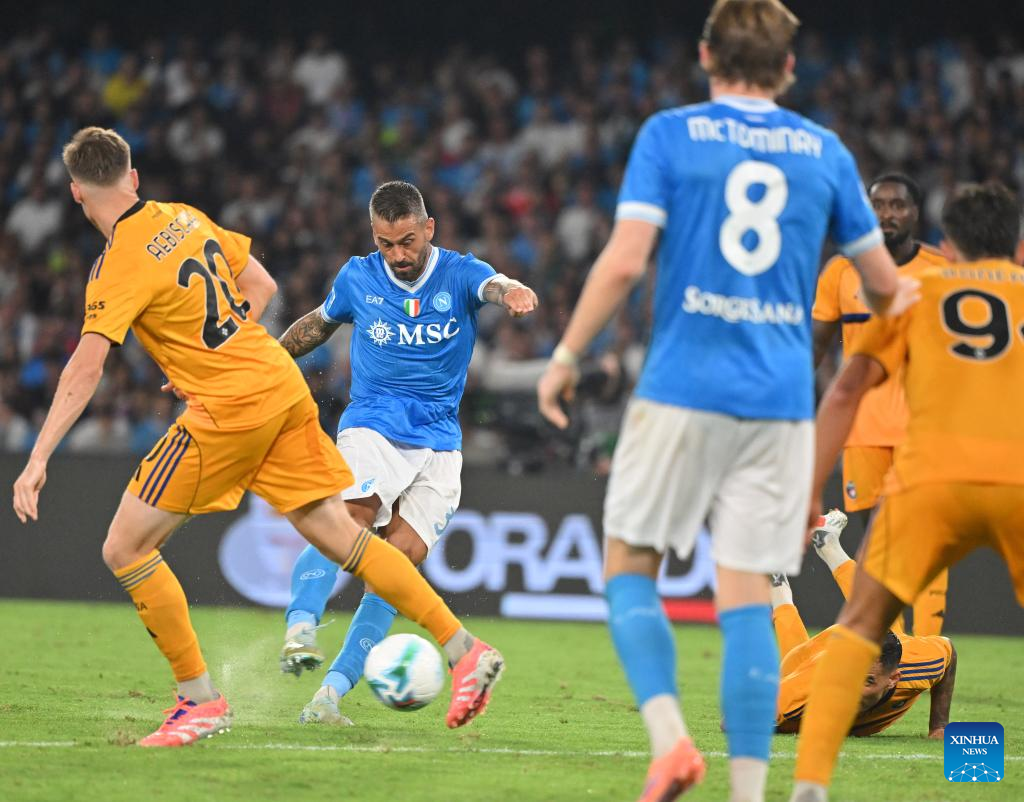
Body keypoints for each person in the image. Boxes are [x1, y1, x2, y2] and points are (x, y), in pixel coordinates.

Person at [10, 127, 504, 747]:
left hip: (229, 410)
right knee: (343, 537)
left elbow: (86, 368)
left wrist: (38, 456)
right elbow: (262, 286)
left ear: (77, 192)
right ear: (132, 178)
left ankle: (199, 701)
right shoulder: (183, 217)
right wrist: (218, 349)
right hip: (279, 384)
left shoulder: (117, 264)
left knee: (125, 549)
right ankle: (465, 650)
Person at [536, 2, 909, 800]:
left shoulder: (670, 134)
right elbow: (887, 286)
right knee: (746, 595)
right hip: (780, 405)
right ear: (790, 67)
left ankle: (671, 741)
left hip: (682, 388)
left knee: (628, 567)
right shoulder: (825, 150)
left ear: (706, 55)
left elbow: (625, 260)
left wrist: (565, 356)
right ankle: (748, 791)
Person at [789, 182, 1024, 801]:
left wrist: (807, 487)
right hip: (1018, 479)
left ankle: (809, 786)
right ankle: (971, 760)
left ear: (950, 244)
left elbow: (845, 391)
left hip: (929, 480)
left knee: (860, 628)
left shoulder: (913, 294)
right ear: (1014, 244)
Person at [274, 180, 537, 725]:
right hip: (373, 424)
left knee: (397, 567)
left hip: (440, 442)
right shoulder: (358, 277)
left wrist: (511, 290)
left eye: (408, 241)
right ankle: (300, 628)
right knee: (348, 519)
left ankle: (329, 696)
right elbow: (317, 325)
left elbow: (493, 283)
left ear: (428, 229)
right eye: (386, 243)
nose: (398, 255)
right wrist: (262, 365)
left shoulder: (459, 273)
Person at [812, 172, 948, 637]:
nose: (887, 214)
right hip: (863, 430)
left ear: (915, 212)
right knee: (877, 550)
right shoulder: (841, 272)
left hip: (923, 428)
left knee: (927, 541)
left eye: (898, 205)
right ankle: (896, 656)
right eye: (879, 205)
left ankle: (930, 651)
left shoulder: (940, 269)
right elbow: (814, 348)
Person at [772, 511, 956, 738]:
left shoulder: (919, 664)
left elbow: (949, 654)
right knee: (793, 663)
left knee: (880, 619)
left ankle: (825, 543)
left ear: (893, 679)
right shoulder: (800, 694)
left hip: (879, 646)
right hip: (827, 652)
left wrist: (939, 726)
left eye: (868, 681)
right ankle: (776, 576)